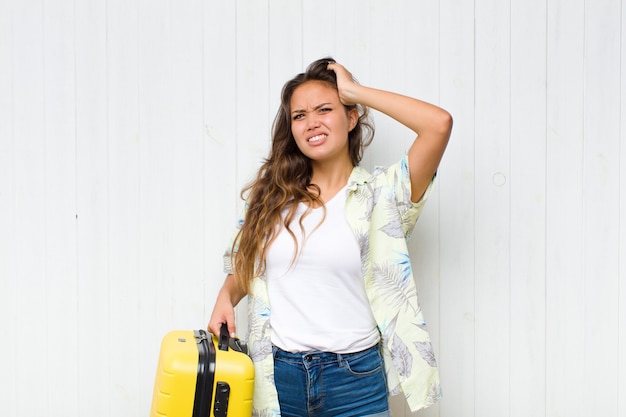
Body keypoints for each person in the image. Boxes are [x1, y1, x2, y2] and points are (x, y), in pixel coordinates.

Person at [208, 57, 452, 417]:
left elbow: (438, 124)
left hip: (355, 380)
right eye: (299, 115)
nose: (312, 123)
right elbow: (245, 264)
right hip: (278, 377)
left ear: (351, 118)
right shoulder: (271, 196)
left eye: (325, 109)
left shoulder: (384, 194)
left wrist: (355, 91)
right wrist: (226, 296)